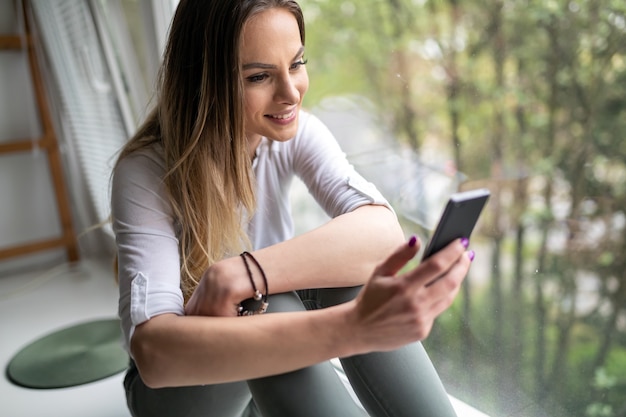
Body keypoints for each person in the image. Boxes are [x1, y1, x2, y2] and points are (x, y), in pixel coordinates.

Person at [110, 0, 474, 416]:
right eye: (259, 76)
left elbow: (383, 234)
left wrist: (241, 273)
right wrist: (354, 327)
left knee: (345, 280)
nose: (290, 93)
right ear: (204, 81)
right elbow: (154, 356)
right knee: (266, 305)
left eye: (297, 64)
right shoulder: (145, 171)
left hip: (264, 378)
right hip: (179, 392)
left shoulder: (289, 129)